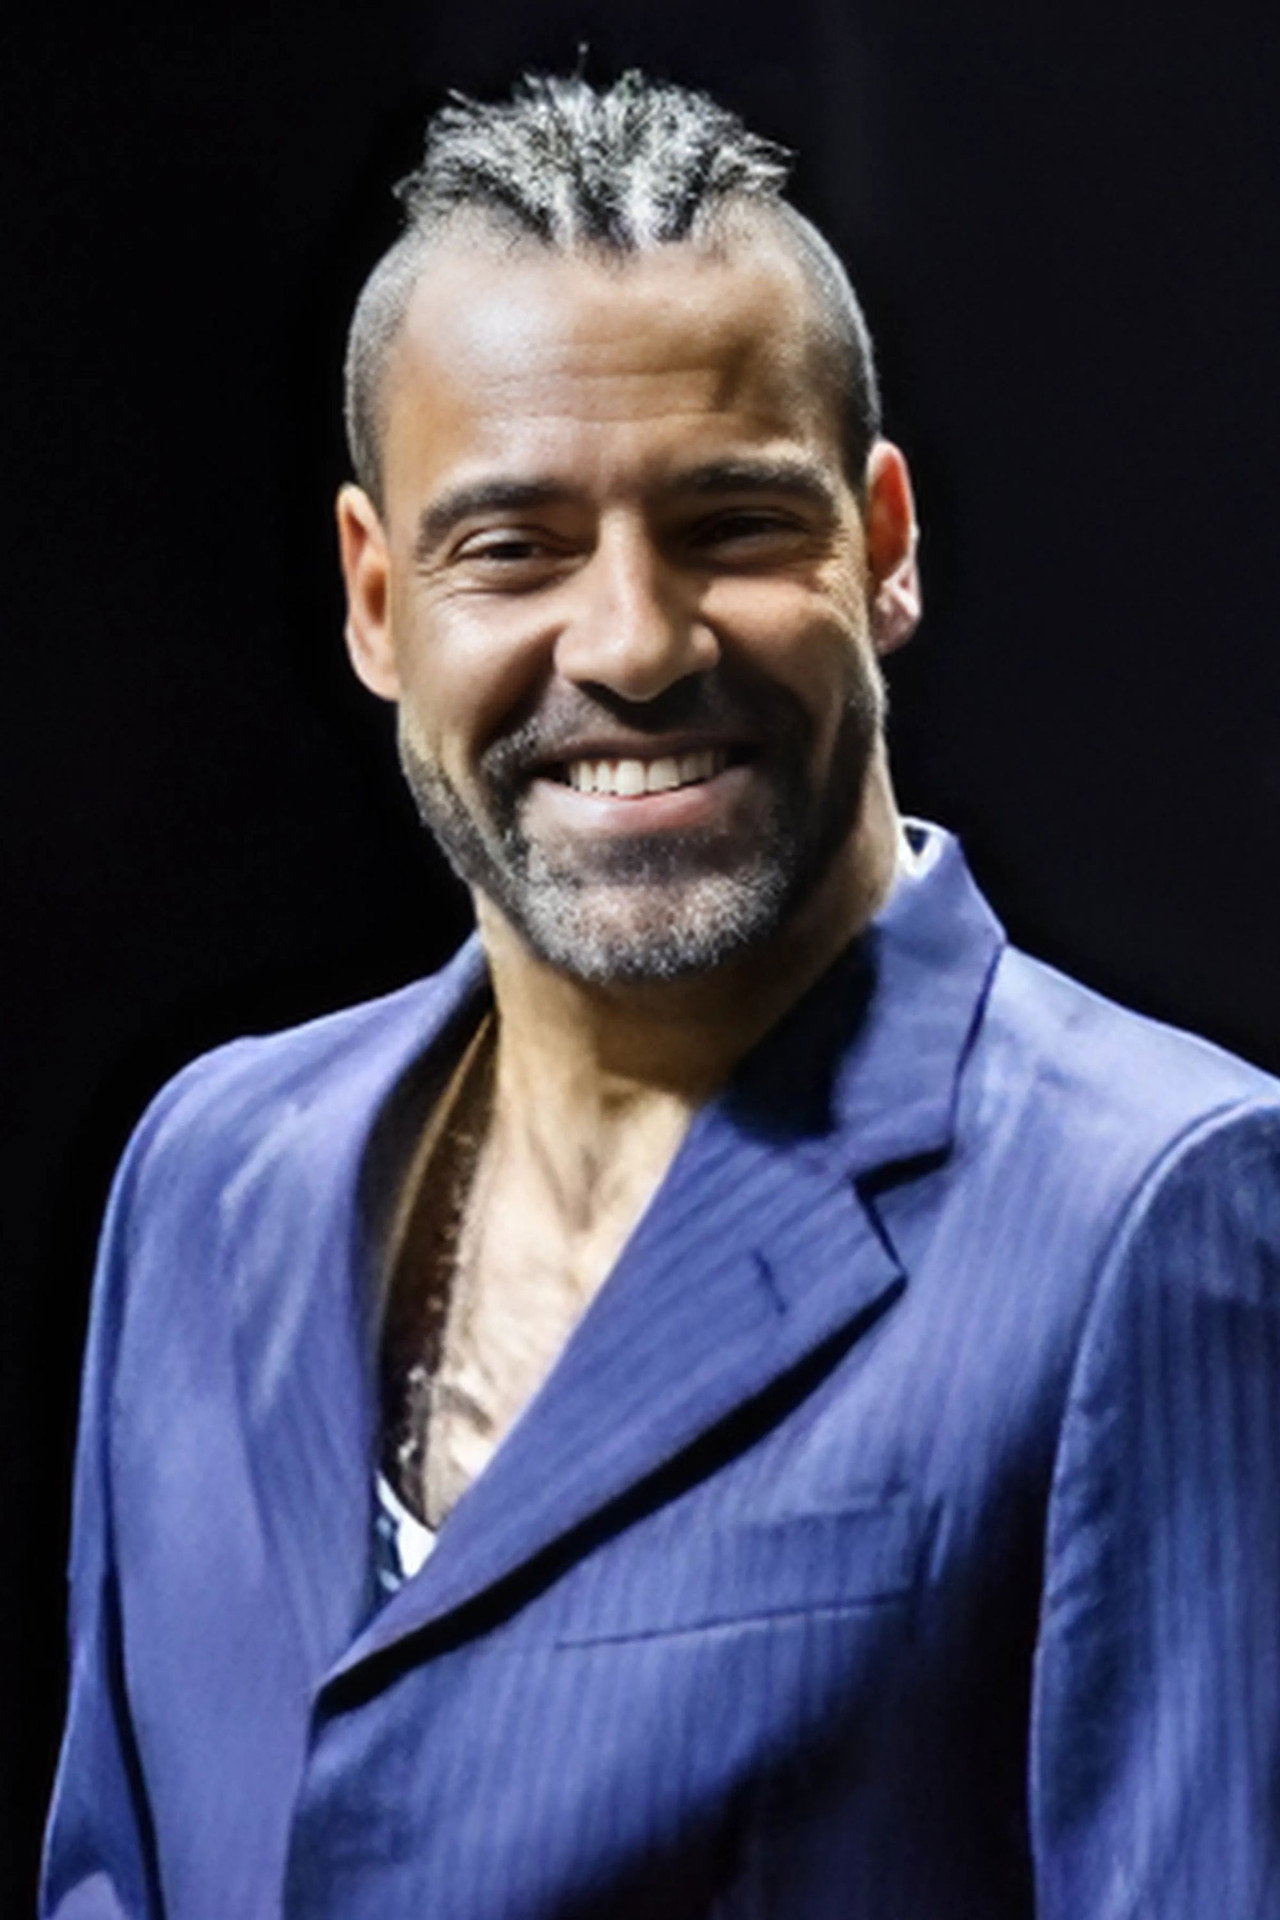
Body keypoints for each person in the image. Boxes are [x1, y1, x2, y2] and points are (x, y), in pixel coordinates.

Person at [41, 70, 1280, 1920]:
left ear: (885, 546)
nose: (630, 642)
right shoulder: (206, 1172)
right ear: (376, 599)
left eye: (733, 525)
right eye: (513, 547)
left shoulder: (1163, 1210)